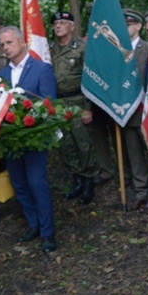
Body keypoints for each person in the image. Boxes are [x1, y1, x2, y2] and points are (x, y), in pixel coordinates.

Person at [0, 26, 58, 253]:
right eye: (2, 44)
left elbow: (49, 103)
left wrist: (32, 124)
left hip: (34, 139)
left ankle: (48, 233)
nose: (6, 48)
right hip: (11, 142)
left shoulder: (41, 69)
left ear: (22, 42)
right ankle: (33, 225)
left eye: (9, 42)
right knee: (20, 185)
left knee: (37, 184)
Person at [49, 11, 97, 205]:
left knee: (83, 144)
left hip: (78, 101)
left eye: (63, 23)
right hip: (57, 104)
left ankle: (89, 182)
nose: (58, 26)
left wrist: (88, 107)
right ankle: (77, 178)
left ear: (72, 26)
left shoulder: (82, 48)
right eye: (56, 23)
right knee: (65, 145)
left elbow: (90, 77)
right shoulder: (49, 50)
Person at [121, 9, 148, 211]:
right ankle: (140, 192)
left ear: (138, 26)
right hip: (125, 112)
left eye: (129, 24)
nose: (125, 28)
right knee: (134, 156)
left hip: (146, 112)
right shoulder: (117, 50)